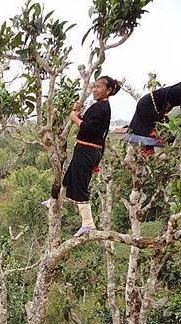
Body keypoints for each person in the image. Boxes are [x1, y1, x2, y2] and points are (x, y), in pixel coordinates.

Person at [42, 76, 121, 237]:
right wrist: (76, 112)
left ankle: (88, 223)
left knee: (80, 186)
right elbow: (85, 121)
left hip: (88, 150)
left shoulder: (102, 107)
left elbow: (88, 128)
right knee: (68, 178)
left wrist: (74, 117)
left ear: (108, 90)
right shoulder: (99, 106)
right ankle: (54, 201)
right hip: (85, 149)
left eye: (99, 87)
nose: (95, 90)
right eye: (94, 86)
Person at [118, 66, 181, 155]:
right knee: (151, 133)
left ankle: (138, 156)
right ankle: (143, 155)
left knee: (151, 132)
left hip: (151, 105)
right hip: (150, 105)